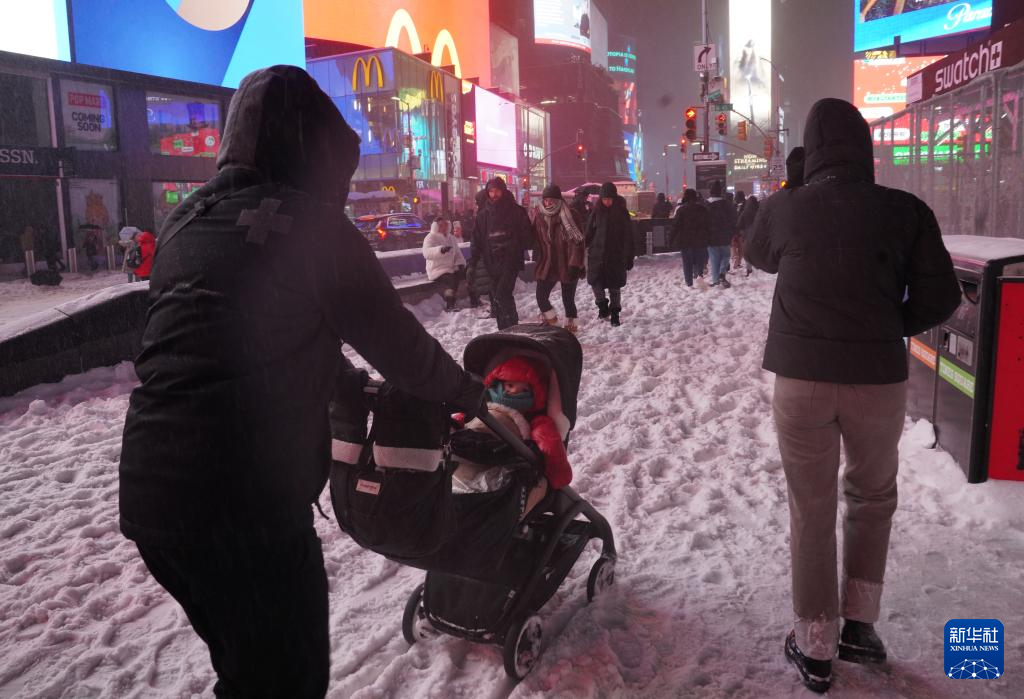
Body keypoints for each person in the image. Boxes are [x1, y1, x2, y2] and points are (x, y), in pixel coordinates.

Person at [118, 65, 484, 699]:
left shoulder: (185, 221)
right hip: (245, 506)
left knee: (249, 671)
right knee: (287, 681)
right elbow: (405, 352)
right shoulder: (313, 229)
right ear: (311, 154)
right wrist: (472, 397)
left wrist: (342, 381)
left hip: (153, 501)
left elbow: (238, 333)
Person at [744, 98, 962, 694]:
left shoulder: (788, 206)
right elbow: (942, 299)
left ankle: (815, 646)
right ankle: (859, 627)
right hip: (878, 382)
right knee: (872, 497)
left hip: (802, 382)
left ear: (810, 153)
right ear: (865, 149)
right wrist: (887, 326)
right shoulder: (905, 210)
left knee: (810, 508)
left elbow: (757, 254)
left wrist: (793, 185)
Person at [471, 177, 532, 329]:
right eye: (491, 191)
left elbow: (527, 236)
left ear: (503, 191)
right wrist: (472, 261)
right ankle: (505, 328)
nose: (494, 194)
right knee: (497, 297)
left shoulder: (516, 211)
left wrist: (515, 246)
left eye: (497, 190)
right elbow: (476, 239)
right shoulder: (483, 215)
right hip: (491, 262)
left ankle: (512, 325)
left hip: (510, 261)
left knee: (502, 294)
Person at [532, 184, 586, 333]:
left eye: (552, 200)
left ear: (559, 200)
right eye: (546, 200)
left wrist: (575, 264)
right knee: (541, 296)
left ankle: (571, 331)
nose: (548, 203)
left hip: (567, 263)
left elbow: (577, 242)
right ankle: (552, 323)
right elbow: (534, 238)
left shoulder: (570, 214)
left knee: (568, 300)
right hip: (548, 263)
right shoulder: (539, 216)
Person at [585, 182, 634, 326]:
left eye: (609, 199)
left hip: (615, 257)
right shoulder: (596, 212)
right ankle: (602, 306)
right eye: (604, 199)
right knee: (595, 284)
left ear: (614, 198)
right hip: (597, 256)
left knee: (614, 288)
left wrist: (628, 256)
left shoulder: (622, 213)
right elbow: (589, 232)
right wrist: (584, 244)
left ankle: (615, 314)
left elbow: (628, 236)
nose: (606, 202)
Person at [423, 217, 466, 312]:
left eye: (445, 224)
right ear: (436, 226)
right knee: (451, 280)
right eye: (441, 225)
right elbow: (426, 253)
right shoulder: (430, 237)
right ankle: (450, 304)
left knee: (467, 274)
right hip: (437, 270)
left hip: (450, 268)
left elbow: (458, 254)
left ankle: (474, 299)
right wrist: (440, 250)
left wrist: (460, 264)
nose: (443, 227)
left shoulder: (452, 238)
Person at [671, 189, 711, 290]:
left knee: (687, 263)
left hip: (686, 241)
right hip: (700, 240)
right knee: (699, 261)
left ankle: (689, 283)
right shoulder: (703, 209)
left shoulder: (681, 210)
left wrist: (671, 238)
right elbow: (708, 225)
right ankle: (699, 277)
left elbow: (676, 226)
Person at [705, 180, 736, 288]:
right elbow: (733, 220)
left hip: (710, 236)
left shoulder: (706, 204)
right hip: (725, 235)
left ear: (710, 191)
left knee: (714, 259)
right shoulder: (727, 204)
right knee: (726, 255)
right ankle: (722, 273)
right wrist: (733, 232)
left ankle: (715, 280)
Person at [734, 193, 758, 277]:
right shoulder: (759, 212)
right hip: (757, 234)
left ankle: (749, 268)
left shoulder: (745, 212)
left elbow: (739, 224)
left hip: (746, 235)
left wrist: (738, 232)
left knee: (747, 251)